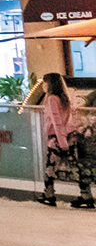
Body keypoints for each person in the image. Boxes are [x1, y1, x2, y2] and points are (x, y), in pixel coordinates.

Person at [33, 73, 94, 208]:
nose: (44, 85)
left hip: (57, 139)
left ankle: (49, 194)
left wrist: (61, 141)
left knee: (50, 166)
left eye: (46, 83)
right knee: (76, 167)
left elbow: (56, 121)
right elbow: (69, 118)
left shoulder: (52, 99)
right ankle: (86, 195)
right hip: (70, 136)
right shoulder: (66, 97)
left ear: (50, 84)